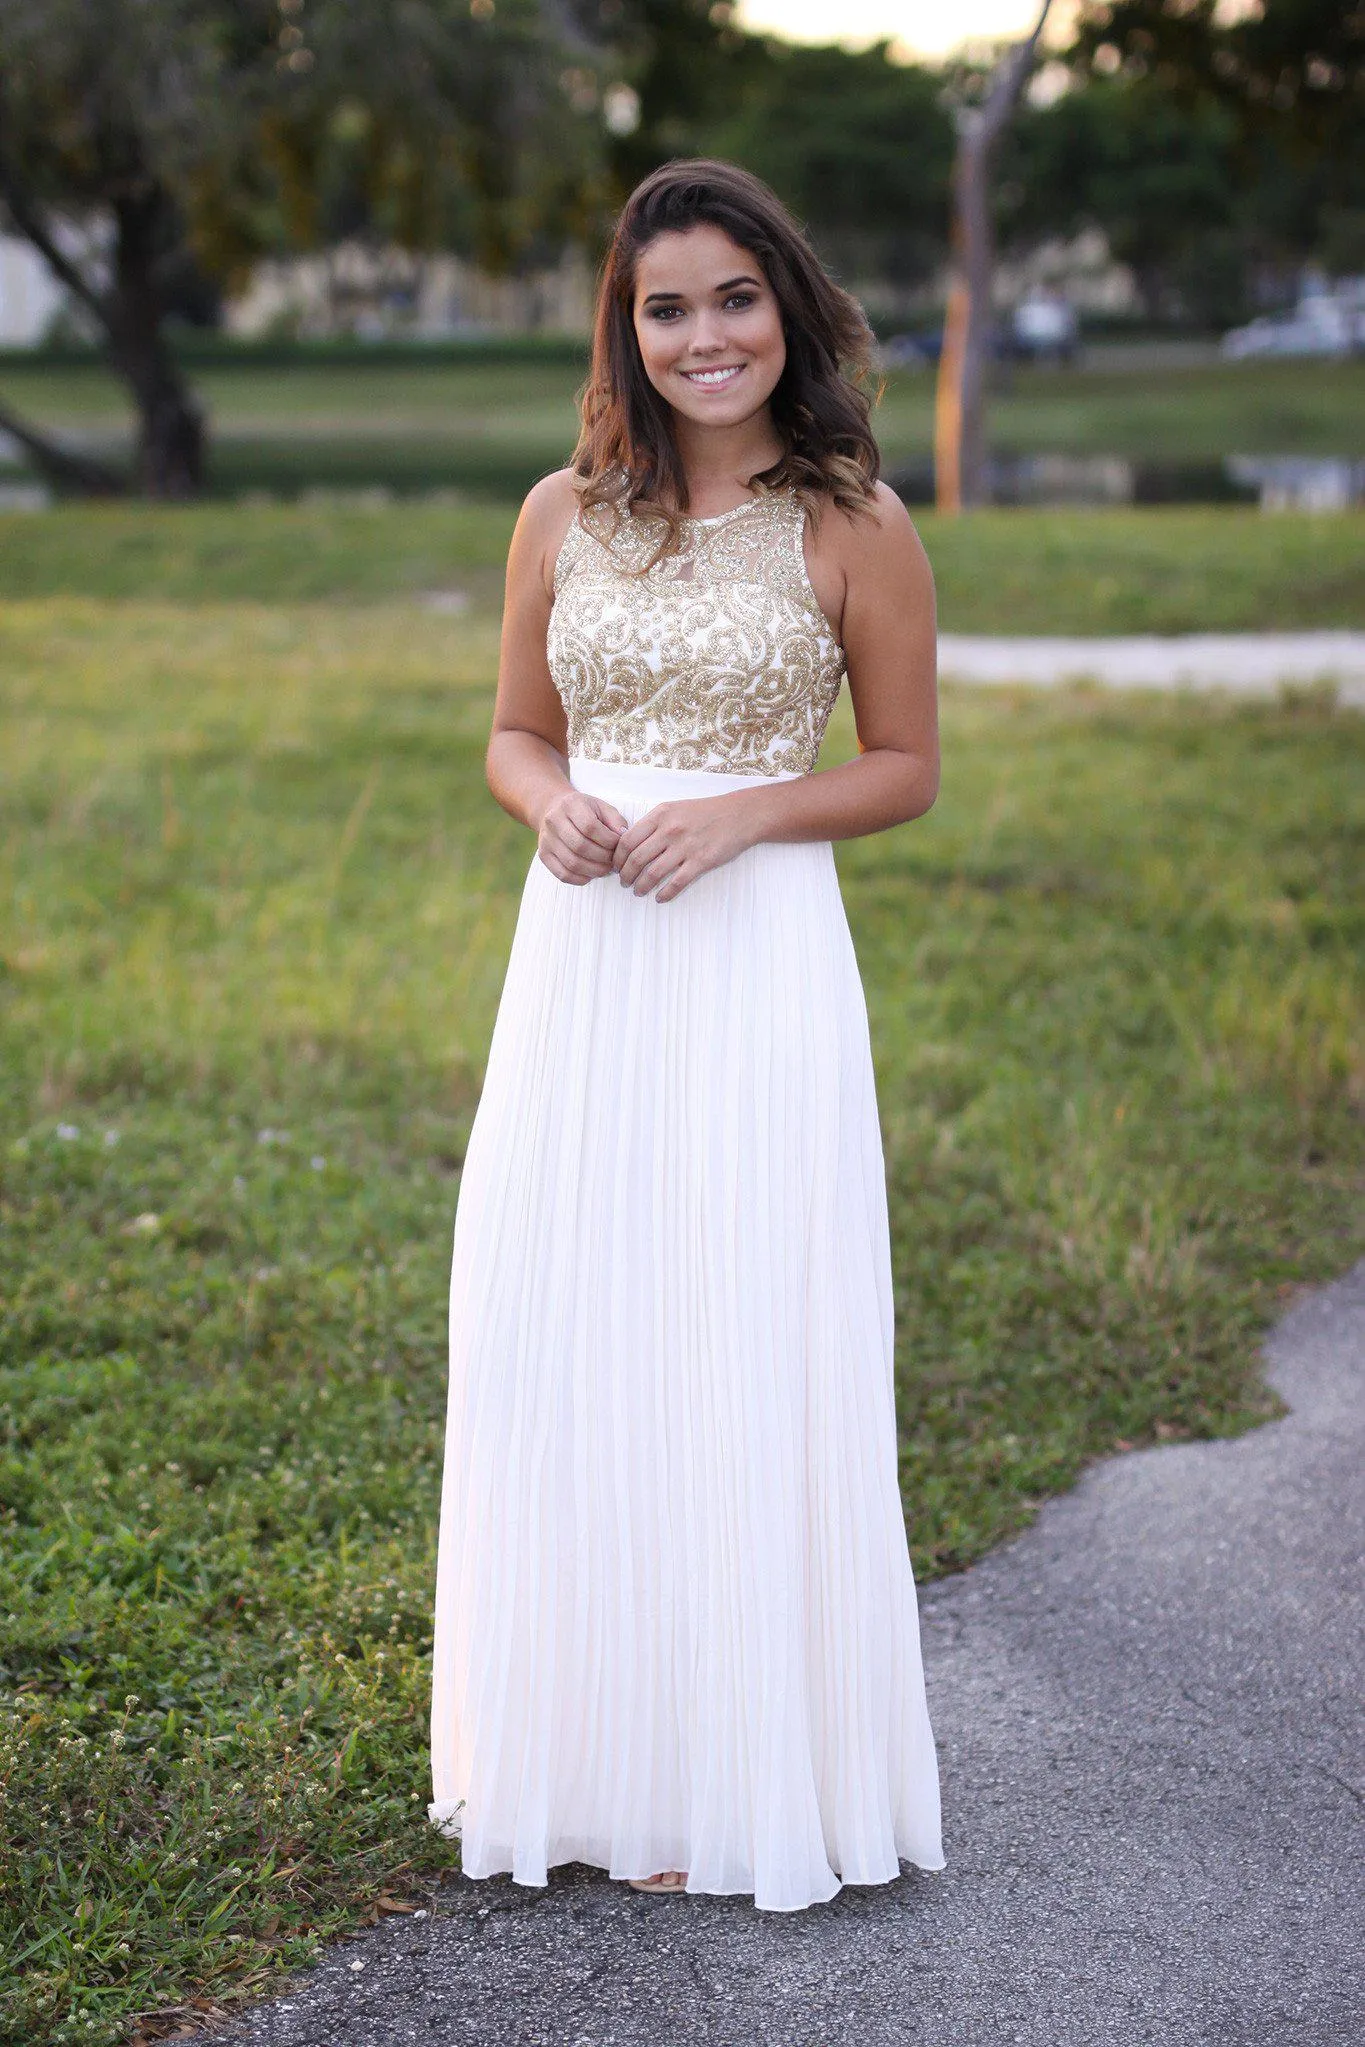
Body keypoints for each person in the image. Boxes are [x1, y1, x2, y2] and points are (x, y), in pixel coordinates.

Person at [428, 158, 944, 1912]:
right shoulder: (559, 513)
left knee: (736, 1326)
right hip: (582, 967)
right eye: (667, 306)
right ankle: (593, 1761)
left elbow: (905, 768)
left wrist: (745, 812)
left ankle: (743, 1771)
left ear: (785, 305)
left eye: (734, 296)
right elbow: (511, 731)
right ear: (624, 328)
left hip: (753, 960)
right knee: (573, 1324)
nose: (704, 335)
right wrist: (547, 803)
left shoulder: (854, 523)